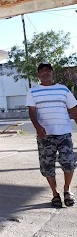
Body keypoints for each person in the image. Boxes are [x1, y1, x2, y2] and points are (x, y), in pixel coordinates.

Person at [26, 62, 77, 208]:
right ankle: (55, 194)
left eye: (48, 70)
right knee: (47, 166)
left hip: (64, 133)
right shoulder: (33, 91)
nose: (45, 72)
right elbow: (32, 111)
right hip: (45, 135)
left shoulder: (63, 89)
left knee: (69, 162)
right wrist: (37, 127)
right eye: (41, 71)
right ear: (38, 75)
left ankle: (67, 190)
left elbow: (73, 110)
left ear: (52, 73)